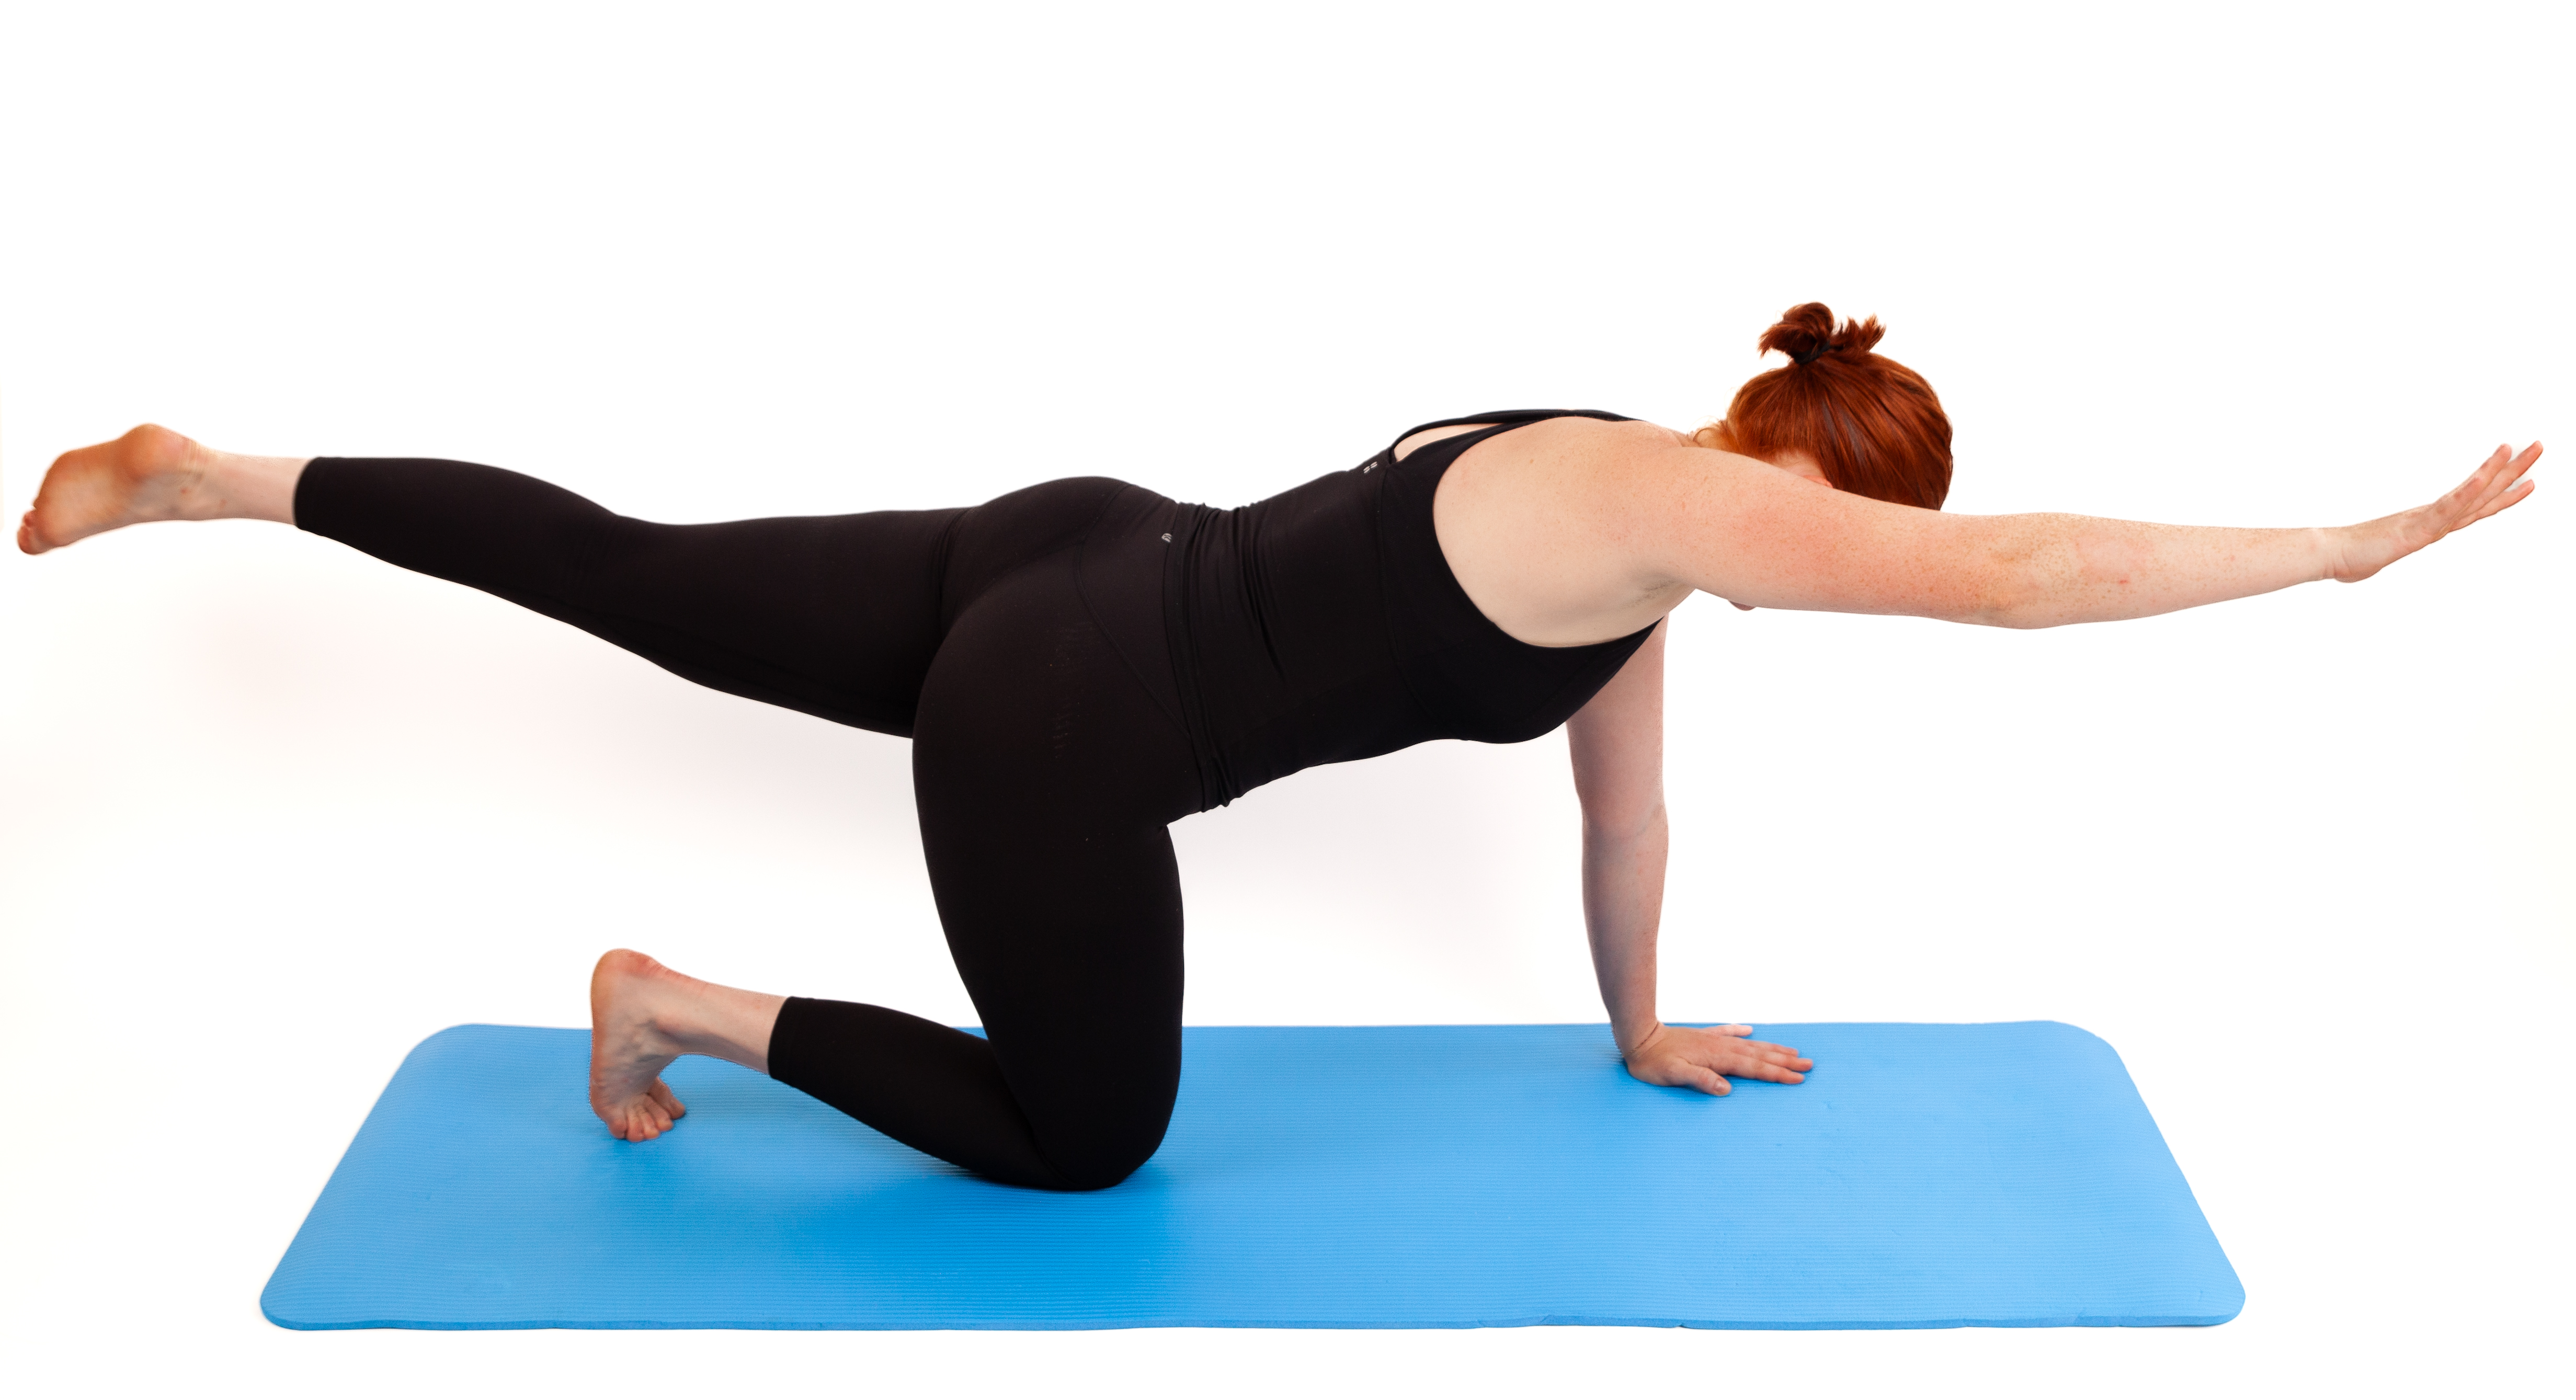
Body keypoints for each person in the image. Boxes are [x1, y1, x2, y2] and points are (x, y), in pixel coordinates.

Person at [17, 304, 2539, 1191]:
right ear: (1789, 478)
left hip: (1070, 547)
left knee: (639, 568)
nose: (1831, 582)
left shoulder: (1624, 543)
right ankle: (673, 1000)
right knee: (1084, 1135)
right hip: (1060, 704)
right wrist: (2341, 548)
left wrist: (1636, 1018)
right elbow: (1999, 578)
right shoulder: (1674, 495)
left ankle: (211, 476)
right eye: (1831, 546)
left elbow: (1623, 812)